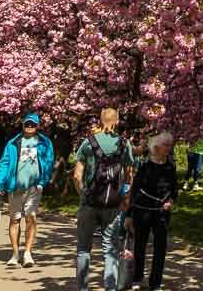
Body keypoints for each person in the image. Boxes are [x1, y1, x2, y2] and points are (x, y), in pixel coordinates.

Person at [73, 108, 136, 291]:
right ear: (116, 121)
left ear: (100, 120)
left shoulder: (87, 143)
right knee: (110, 248)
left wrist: (83, 195)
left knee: (83, 248)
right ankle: (110, 287)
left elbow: (77, 176)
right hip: (113, 203)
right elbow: (130, 175)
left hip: (89, 202)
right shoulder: (124, 144)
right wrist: (125, 198)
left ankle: (82, 288)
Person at [0, 112, 55, 268]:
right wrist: (0, 183)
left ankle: (27, 253)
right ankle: (15, 254)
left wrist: (43, 181)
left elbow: (49, 162)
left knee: (31, 217)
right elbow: (4, 163)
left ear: (38, 126)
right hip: (15, 187)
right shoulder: (13, 143)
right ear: (22, 125)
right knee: (15, 220)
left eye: (33, 124)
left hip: (34, 187)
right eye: (27, 124)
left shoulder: (45, 143)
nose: (30, 127)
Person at [127, 132, 178, 291]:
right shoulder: (144, 166)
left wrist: (170, 201)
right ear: (156, 147)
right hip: (142, 211)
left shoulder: (170, 167)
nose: (169, 148)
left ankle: (155, 282)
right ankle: (137, 277)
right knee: (140, 245)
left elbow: (174, 189)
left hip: (162, 213)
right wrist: (129, 214)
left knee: (160, 247)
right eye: (166, 145)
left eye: (170, 145)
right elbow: (134, 190)